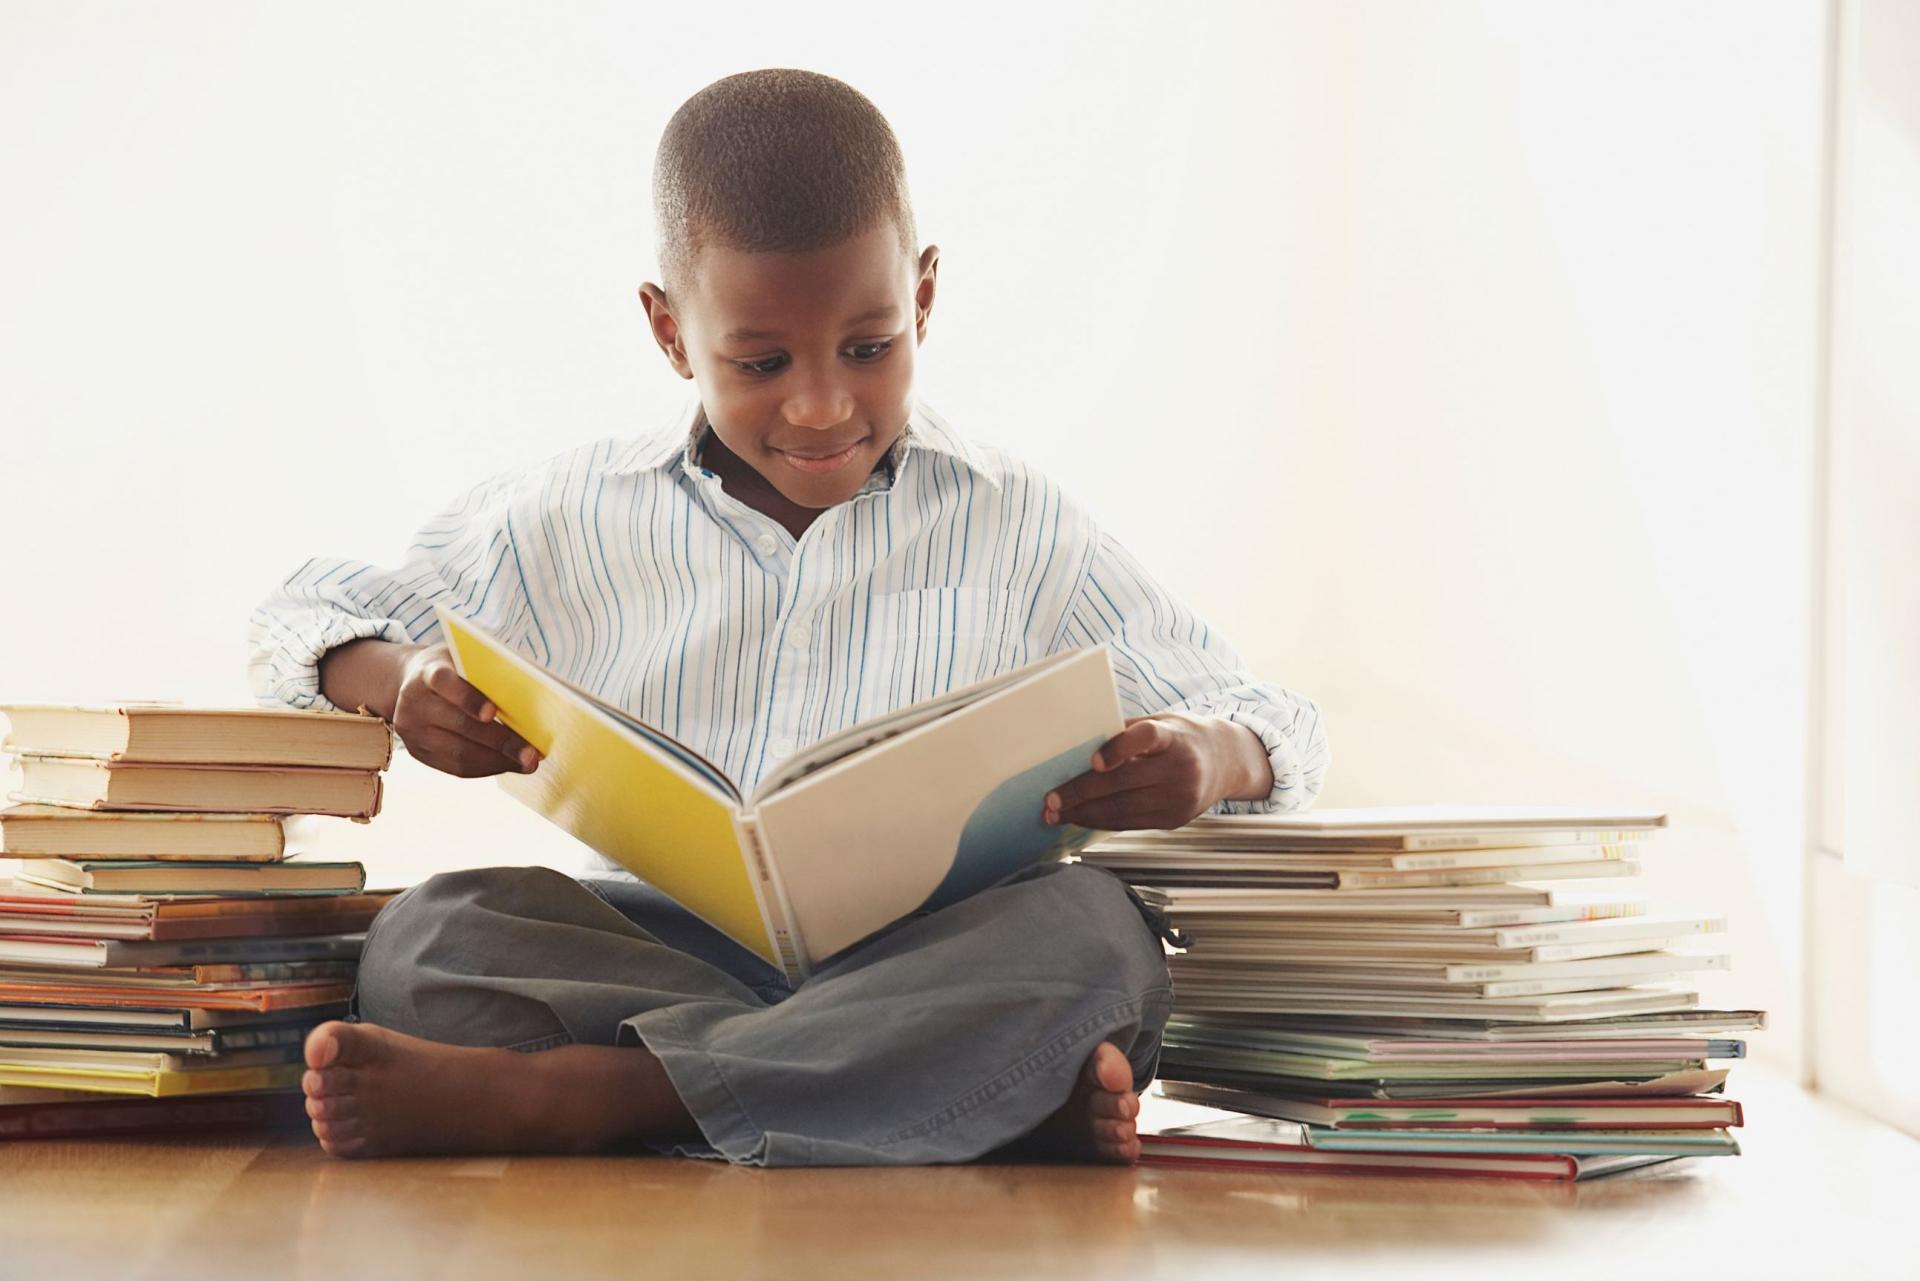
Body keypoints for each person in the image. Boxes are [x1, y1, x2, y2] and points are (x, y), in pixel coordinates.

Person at [247, 68, 1328, 1166]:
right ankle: (961, 1100)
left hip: (931, 961)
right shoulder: (561, 516)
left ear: (923, 298)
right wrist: (401, 681)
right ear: (671, 332)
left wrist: (1210, 754)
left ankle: (595, 1098)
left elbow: (1266, 714)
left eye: (869, 347)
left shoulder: (1018, 520)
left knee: (1099, 941)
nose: (821, 406)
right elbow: (306, 617)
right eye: (760, 363)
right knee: (427, 938)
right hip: (664, 955)